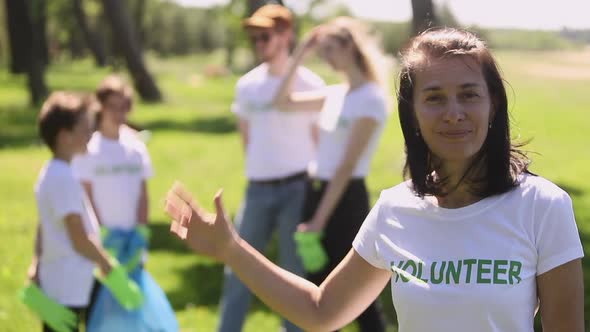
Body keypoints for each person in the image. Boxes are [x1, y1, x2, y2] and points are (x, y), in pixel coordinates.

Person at [165, 28, 584, 331]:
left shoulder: (543, 207)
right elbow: (321, 310)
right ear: (413, 116)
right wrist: (232, 249)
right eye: (434, 98)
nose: (454, 111)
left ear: (493, 105)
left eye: (469, 94)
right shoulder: (395, 209)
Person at [271, 17, 390, 331]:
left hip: (345, 198)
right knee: (316, 288)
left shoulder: (371, 98)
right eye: (321, 51)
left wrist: (319, 220)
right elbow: (281, 102)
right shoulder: (336, 93)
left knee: (360, 295)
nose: (325, 56)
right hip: (317, 192)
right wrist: (299, 53)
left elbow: (347, 167)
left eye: (329, 49)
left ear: (350, 46)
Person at [215, 4, 325, 332]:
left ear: (286, 35)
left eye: (265, 36)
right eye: (254, 38)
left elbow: (320, 141)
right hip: (257, 189)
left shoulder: (311, 83)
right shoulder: (246, 86)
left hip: (297, 189)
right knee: (237, 269)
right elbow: (246, 139)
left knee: (292, 276)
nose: (258, 43)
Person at [24, 92, 142, 332]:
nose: (91, 132)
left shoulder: (56, 172)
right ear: (65, 137)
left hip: (66, 280)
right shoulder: (63, 178)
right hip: (67, 285)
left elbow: (46, 226)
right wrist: (108, 266)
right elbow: (78, 239)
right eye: (84, 127)